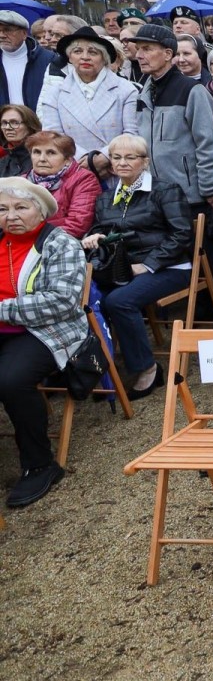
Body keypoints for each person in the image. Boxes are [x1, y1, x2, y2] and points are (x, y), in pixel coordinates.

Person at [81, 135, 193, 400]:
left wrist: (150, 264)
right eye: (117, 157)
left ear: (144, 161)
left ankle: (147, 369)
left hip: (171, 266)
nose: (122, 163)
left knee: (119, 301)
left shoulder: (165, 190)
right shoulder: (106, 199)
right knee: (90, 301)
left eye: (130, 157)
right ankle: (102, 371)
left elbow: (182, 234)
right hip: (122, 270)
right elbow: (106, 231)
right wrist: (95, 236)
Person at [0, 176, 88, 506]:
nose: (11, 216)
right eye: (3, 209)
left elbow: (62, 301)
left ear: (41, 211)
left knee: (11, 380)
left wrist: (2, 310)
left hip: (47, 330)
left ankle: (39, 465)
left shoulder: (60, 243)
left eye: (21, 207)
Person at [128, 25, 213, 216]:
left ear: (167, 54)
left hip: (189, 196)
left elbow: (208, 143)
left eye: (147, 49)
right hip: (153, 195)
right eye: (138, 49)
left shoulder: (191, 90)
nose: (139, 55)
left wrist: (208, 188)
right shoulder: (142, 93)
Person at [36, 26, 138, 174]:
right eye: (77, 51)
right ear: (69, 57)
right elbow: (53, 135)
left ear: (104, 58)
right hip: (74, 170)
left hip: (116, 168)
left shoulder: (126, 90)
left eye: (93, 52)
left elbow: (131, 132)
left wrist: (103, 157)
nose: (85, 57)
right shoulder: (55, 93)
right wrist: (85, 160)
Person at [23, 130, 100, 238]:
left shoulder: (84, 179)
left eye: (51, 153)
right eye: (36, 152)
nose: (42, 159)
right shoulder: (22, 181)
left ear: (68, 159)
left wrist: (36, 241)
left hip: (58, 245)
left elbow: (77, 225)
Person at [0, 10, 55, 110]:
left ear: (24, 33)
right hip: (4, 124)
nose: (2, 35)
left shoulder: (49, 59)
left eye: (7, 30)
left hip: (38, 123)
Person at [0, 104, 38, 177]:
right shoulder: (2, 163)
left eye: (15, 122)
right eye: (4, 123)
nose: (8, 127)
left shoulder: (42, 157)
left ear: (29, 125)